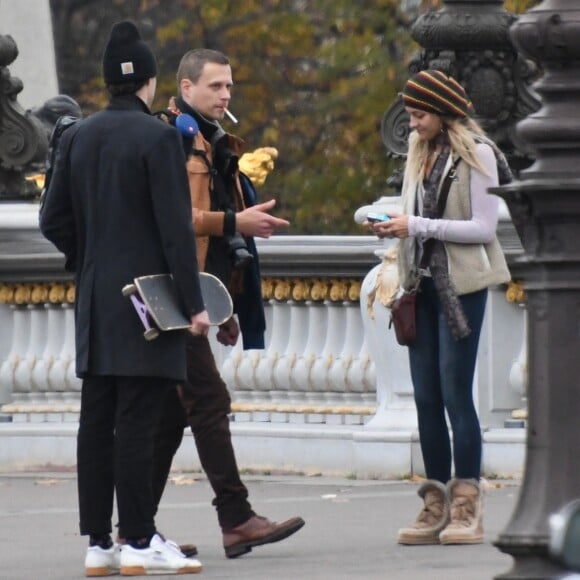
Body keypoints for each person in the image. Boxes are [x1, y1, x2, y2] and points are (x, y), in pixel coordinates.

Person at [39, 21, 209, 576]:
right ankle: (138, 539)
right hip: (147, 303)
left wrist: (88, 261)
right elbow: (174, 232)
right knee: (138, 418)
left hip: (95, 298)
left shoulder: (79, 135)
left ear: (108, 81)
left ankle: (98, 544)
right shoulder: (160, 138)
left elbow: (52, 220)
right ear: (152, 83)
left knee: (97, 420)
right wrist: (194, 302)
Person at [151, 48, 304, 559]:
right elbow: (175, 221)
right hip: (173, 296)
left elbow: (215, 236)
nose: (225, 95)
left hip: (195, 297)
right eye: (215, 86)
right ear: (186, 88)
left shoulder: (212, 142)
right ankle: (236, 519)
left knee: (175, 414)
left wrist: (227, 305)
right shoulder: (170, 139)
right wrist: (238, 223)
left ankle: (134, 530)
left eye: (230, 87)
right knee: (209, 400)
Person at [367, 70, 511, 546]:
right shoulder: (420, 154)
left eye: (420, 114)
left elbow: (483, 229)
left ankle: (467, 503)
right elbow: (416, 221)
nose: (412, 125)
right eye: (409, 115)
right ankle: (435, 505)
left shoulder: (478, 154)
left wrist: (418, 225)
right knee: (426, 398)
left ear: (445, 111)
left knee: (454, 393)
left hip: (461, 288)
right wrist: (393, 226)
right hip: (420, 287)